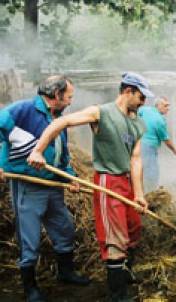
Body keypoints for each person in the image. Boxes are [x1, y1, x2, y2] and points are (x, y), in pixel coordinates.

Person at [28, 72, 151, 302]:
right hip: (108, 181)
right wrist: (38, 150)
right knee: (116, 238)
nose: (144, 102)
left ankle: (125, 272)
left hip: (127, 182)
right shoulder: (101, 112)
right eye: (141, 97)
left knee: (133, 229)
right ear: (128, 91)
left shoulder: (138, 122)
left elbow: (136, 160)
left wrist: (140, 194)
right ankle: (117, 296)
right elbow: (62, 122)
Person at [0, 75, 90, 302]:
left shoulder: (60, 119)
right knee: (29, 237)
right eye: (68, 96)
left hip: (53, 185)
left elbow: (63, 156)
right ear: (56, 95)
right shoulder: (24, 110)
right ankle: (30, 288)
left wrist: (71, 178)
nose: (70, 101)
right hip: (28, 185)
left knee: (64, 228)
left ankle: (66, 272)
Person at [138, 96, 176, 192]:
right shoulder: (160, 120)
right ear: (158, 105)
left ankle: (141, 190)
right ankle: (151, 194)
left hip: (138, 144)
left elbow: (134, 115)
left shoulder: (144, 109)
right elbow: (166, 139)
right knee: (152, 172)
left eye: (168, 106)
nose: (168, 108)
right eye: (166, 106)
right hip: (148, 147)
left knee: (140, 169)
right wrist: (175, 150)